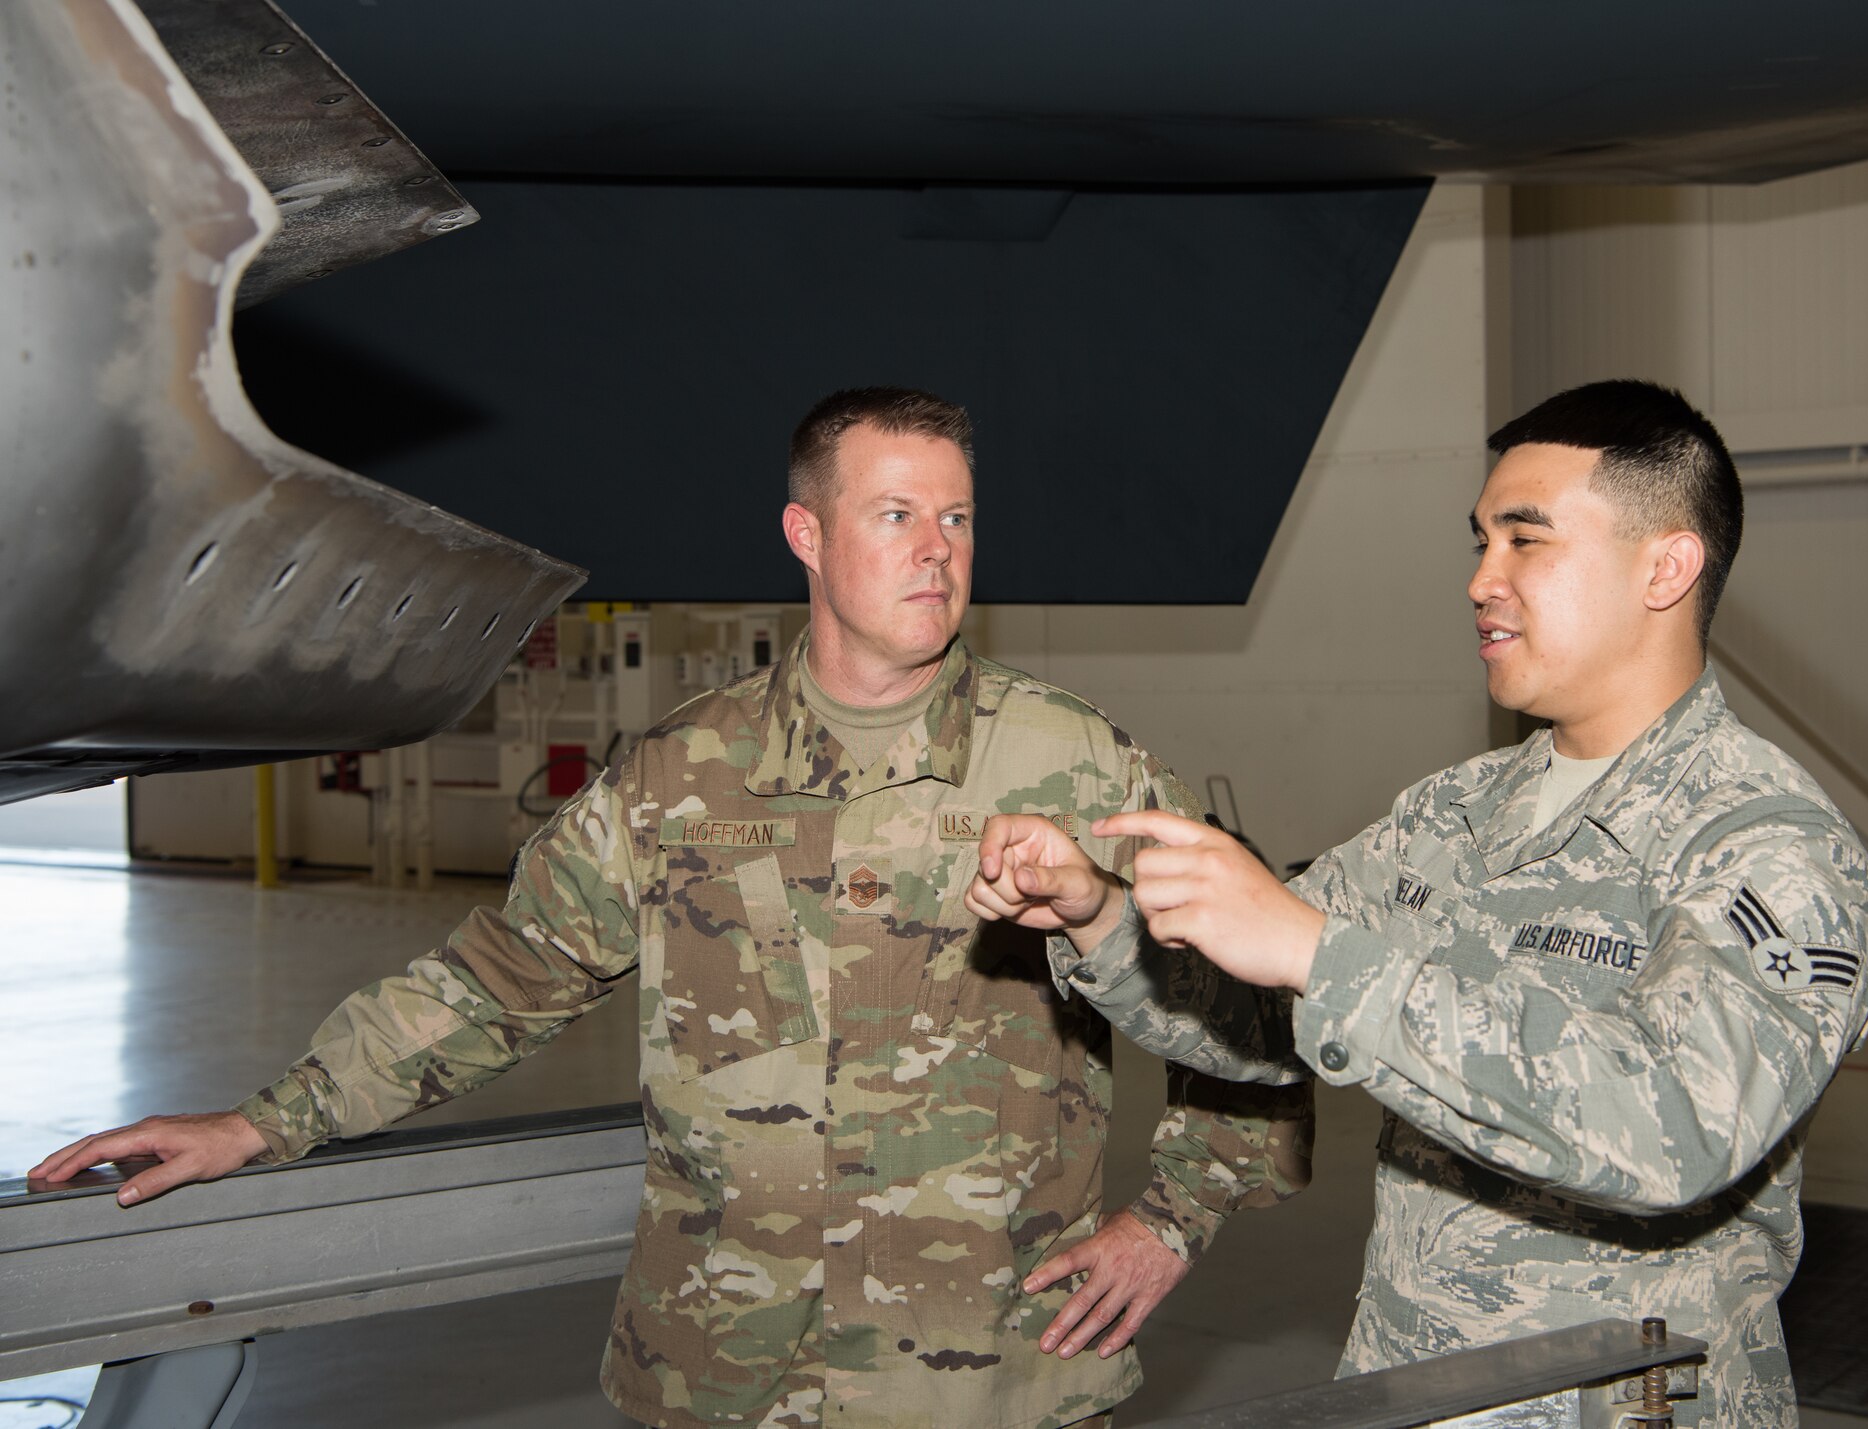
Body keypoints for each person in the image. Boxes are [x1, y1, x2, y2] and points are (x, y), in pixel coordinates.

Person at [33, 387, 1313, 1429]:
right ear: (806, 536)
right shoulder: (677, 777)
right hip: (721, 1370)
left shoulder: (1073, 766)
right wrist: (266, 1122)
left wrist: (1171, 1219)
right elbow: (499, 980)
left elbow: (1251, 1004)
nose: (938, 550)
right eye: (895, 513)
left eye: (960, 517)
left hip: (982, 1378)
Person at [966, 380, 1868, 1427]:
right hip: (1413, 1391)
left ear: (1664, 567)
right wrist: (1096, 916)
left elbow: (1675, 1127)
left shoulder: (1764, 846)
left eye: (1523, 540)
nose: (1479, 580)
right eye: (1477, 541)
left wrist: (1321, 954)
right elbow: (1261, 1027)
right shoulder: (1450, 813)